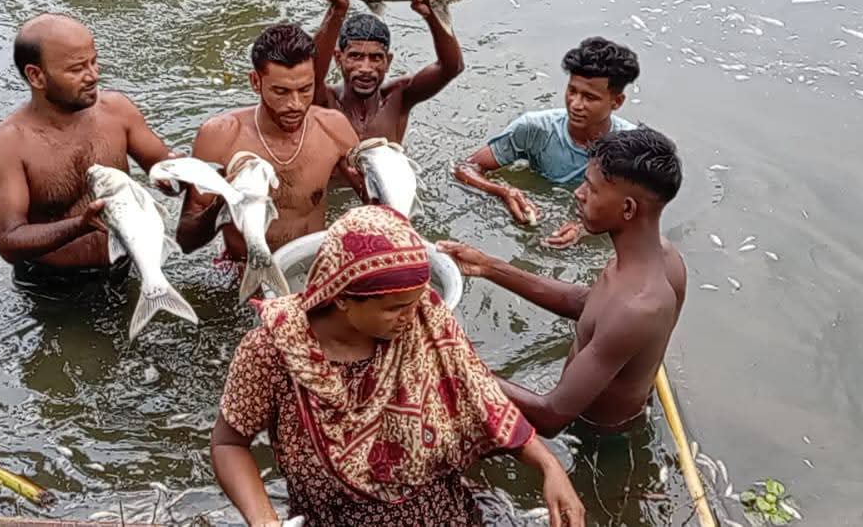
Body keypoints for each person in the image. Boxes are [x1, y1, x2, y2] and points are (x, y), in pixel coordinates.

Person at [212, 206, 587, 527]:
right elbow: (230, 443)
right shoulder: (273, 351)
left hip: (441, 513)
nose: (412, 315)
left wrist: (549, 467)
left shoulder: (425, 319)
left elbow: (485, 401)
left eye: (416, 300)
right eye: (395, 308)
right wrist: (264, 519)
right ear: (342, 299)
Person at [439, 128, 688, 436]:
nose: (578, 193)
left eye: (592, 189)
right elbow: (588, 304)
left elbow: (551, 416)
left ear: (627, 209)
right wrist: (489, 266)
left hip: (594, 436)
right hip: (598, 403)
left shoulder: (637, 309)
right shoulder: (664, 257)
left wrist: (452, 364)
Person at [0, 13, 177, 279]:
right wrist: (80, 225)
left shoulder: (117, 111)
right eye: (77, 69)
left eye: (94, 62)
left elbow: (164, 165)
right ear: (36, 76)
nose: (93, 76)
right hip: (52, 285)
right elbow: (9, 240)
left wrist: (190, 174)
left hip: (127, 266)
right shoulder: (8, 143)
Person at [177, 23, 362, 259]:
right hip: (243, 269)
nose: (295, 104)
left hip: (309, 265)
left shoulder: (332, 127)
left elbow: (379, 204)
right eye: (281, 91)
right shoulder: (220, 137)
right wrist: (225, 199)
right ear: (256, 82)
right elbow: (186, 241)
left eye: (305, 89)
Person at [456, 36, 639, 245]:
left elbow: (639, 211)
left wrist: (585, 229)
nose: (575, 104)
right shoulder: (535, 129)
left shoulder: (631, 147)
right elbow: (465, 167)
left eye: (589, 98)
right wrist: (503, 192)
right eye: (572, 91)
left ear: (617, 102)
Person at [299, 0, 464, 143]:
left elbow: (451, 68)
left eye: (376, 58)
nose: (366, 68)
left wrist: (433, 13)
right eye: (355, 56)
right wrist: (338, 9)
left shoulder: (399, 97)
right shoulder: (324, 102)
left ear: (388, 61)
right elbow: (307, 77)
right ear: (338, 58)